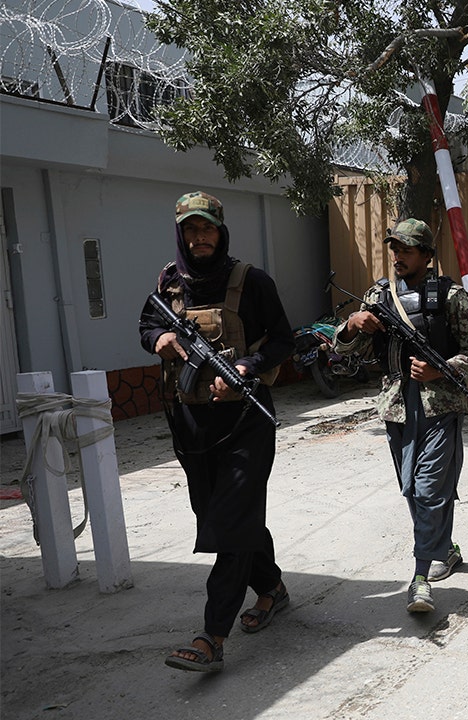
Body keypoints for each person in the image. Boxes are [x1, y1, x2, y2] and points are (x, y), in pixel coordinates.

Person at [140, 191, 293, 673]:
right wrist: (158, 339)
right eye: (191, 229)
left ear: (221, 231)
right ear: (181, 233)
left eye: (207, 229)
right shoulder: (170, 280)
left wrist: (247, 365)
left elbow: (285, 338)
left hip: (246, 423)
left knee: (229, 525)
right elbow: (146, 323)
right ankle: (271, 588)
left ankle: (212, 636)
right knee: (219, 516)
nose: (199, 237)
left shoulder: (251, 281)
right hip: (191, 424)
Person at [333, 219, 468, 613]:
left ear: (426, 255)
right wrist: (353, 325)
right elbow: (346, 349)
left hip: (440, 405)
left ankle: (419, 578)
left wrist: (443, 368)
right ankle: (444, 549)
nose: (398, 256)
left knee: (429, 489)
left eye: (407, 249)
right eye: (395, 249)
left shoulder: (452, 296)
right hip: (397, 407)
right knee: (411, 489)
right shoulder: (379, 296)